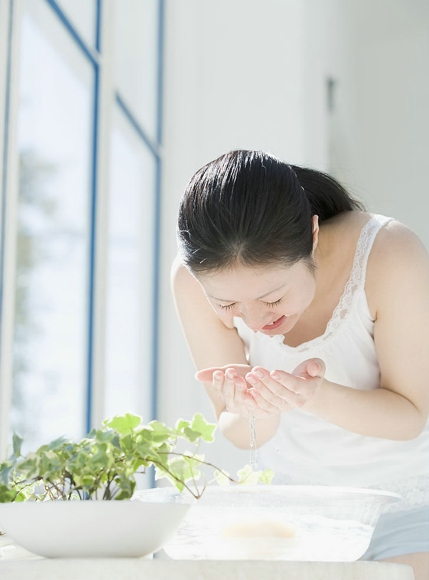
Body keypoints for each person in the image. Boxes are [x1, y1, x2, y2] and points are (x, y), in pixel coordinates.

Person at [171, 149, 429, 579]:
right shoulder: (192, 279)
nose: (254, 322)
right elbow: (237, 430)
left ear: (311, 236)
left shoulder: (388, 252)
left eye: (272, 299)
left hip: (410, 507)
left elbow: (412, 416)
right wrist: (256, 408)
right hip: (297, 521)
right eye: (227, 304)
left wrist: (314, 397)